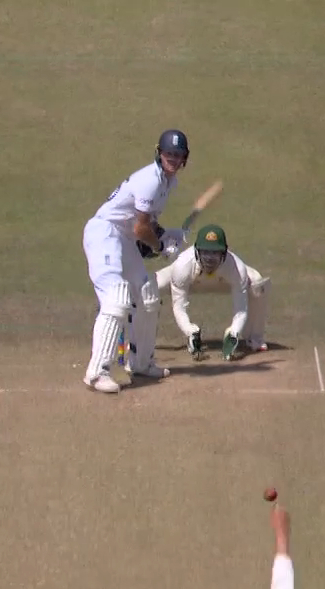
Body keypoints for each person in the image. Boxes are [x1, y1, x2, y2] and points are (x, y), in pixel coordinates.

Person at [80, 130, 191, 394]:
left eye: (178, 155)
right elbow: (141, 230)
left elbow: (146, 222)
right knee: (116, 299)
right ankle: (97, 373)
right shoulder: (150, 180)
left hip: (124, 237)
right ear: (159, 153)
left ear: (185, 158)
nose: (173, 159)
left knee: (147, 296)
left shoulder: (168, 182)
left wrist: (167, 234)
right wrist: (161, 247)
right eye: (168, 154)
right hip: (105, 234)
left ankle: (141, 363)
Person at [154, 223, 273, 360]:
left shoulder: (236, 268)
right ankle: (141, 342)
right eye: (205, 252)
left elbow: (241, 309)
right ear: (196, 251)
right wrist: (190, 331)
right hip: (191, 281)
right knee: (148, 288)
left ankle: (254, 338)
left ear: (224, 252)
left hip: (224, 282)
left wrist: (234, 331)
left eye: (215, 253)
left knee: (258, 283)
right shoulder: (183, 266)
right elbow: (179, 307)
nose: (210, 259)